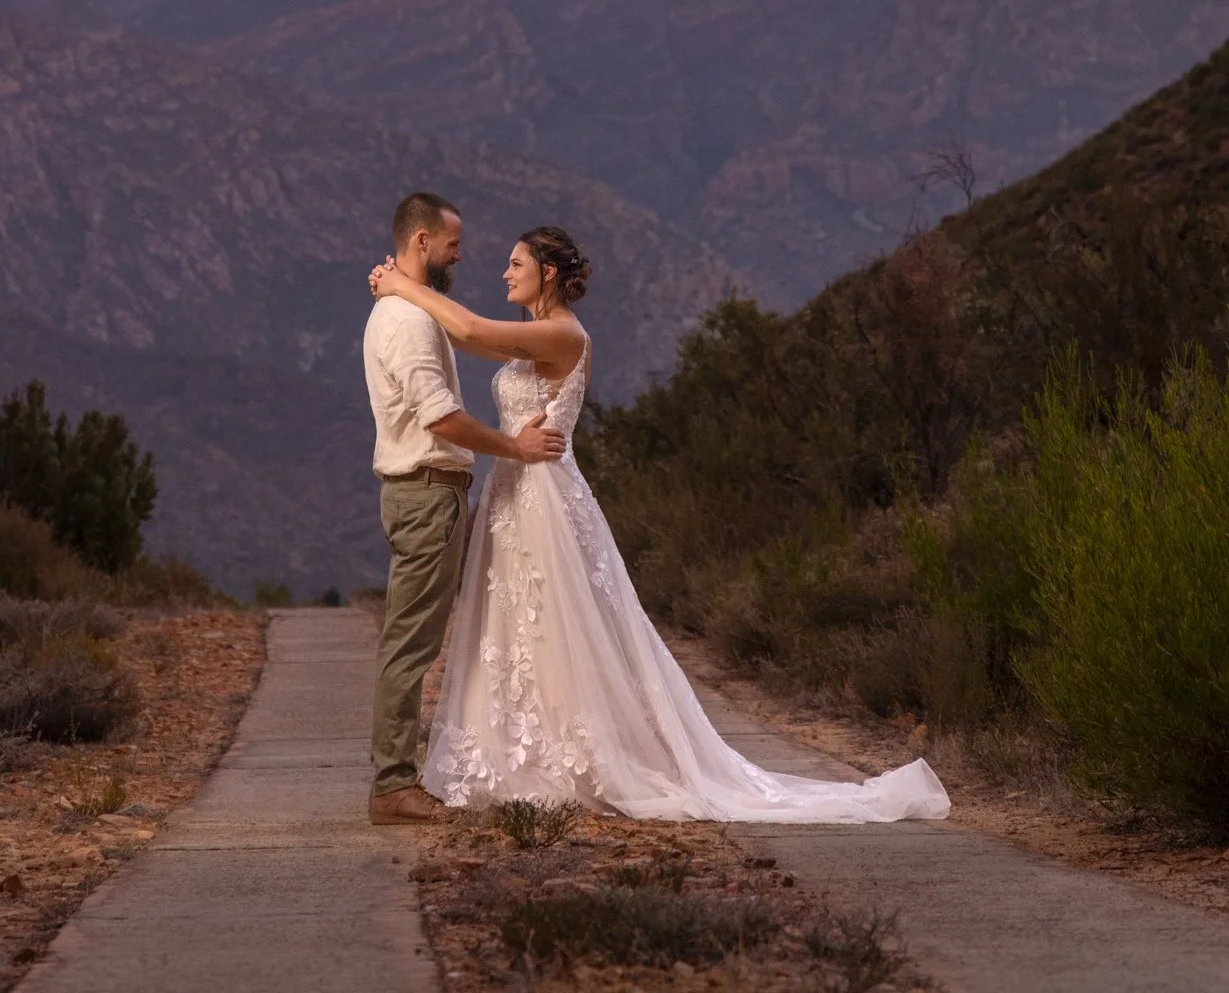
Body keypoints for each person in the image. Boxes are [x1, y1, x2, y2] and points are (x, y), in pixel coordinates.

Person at [369, 225, 951, 824]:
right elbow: (471, 340)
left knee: (556, 621)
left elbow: (470, 331)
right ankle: (518, 749)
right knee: (517, 625)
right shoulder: (534, 338)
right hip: (514, 490)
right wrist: (405, 291)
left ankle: (569, 756)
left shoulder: (564, 334)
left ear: (547, 271)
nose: (503, 272)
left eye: (515, 263)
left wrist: (398, 284)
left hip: (543, 493)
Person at [362, 192, 565, 824]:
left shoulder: (410, 311)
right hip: (426, 493)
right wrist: (514, 447)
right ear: (422, 241)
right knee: (411, 641)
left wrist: (398, 283)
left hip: (429, 493)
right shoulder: (408, 322)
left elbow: (476, 333)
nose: (463, 254)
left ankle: (400, 775)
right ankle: (392, 785)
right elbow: (443, 417)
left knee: (416, 637)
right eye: (453, 243)